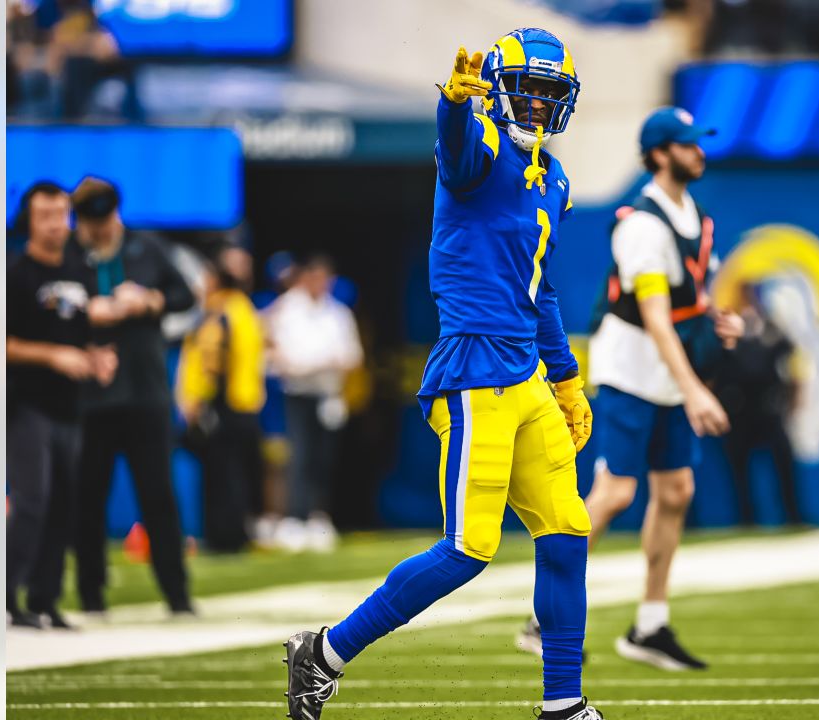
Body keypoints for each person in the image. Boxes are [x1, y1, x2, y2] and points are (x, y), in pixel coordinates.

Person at [284, 30, 601, 720]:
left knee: (568, 531)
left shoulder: (553, 178)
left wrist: (567, 377)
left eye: (552, 94)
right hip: (474, 374)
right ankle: (324, 653)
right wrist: (454, 106)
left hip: (525, 377)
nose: (541, 105)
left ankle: (564, 704)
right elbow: (456, 156)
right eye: (530, 90)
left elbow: (539, 290)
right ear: (497, 87)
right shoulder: (480, 150)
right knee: (467, 549)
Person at [518, 107, 741, 672]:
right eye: (688, 144)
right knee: (616, 492)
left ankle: (650, 625)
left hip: (666, 372)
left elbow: (685, 304)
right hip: (631, 370)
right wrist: (695, 390)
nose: (700, 152)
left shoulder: (693, 213)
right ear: (661, 153)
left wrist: (716, 320)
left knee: (676, 492)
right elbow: (656, 316)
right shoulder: (642, 223)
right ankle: (541, 619)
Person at [70, 177, 195, 615]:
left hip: (145, 391)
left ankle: (177, 594)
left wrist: (148, 301)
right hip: (91, 394)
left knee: (158, 494)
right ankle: (90, 595)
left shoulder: (146, 246)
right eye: (91, 222)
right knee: (87, 495)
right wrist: (88, 313)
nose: (100, 230)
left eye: (104, 221)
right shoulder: (72, 254)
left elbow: (185, 295)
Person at [6, 181, 116, 629]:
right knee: (33, 500)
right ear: (29, 221)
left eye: (60, 213)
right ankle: (7, 594)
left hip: (71, 405)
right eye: (45, 215)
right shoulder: (16, 273)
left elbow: (83, 332)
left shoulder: (80, 269)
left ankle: (46, 598)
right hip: (26, 402)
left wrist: (98, 357)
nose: (55, 223)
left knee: (63, 504)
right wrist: (53, 355)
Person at [266, 255, 363, 553]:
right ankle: (293, 519)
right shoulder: (286, 309)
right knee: (299, 455)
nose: (322, 284)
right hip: (298, 393)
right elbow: (277, 354)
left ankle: (317, 519)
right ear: (306, 278)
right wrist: (313, 364)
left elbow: (352, 356)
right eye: (316, 278)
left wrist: (328, 366)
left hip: (327, 395)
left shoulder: (338, 313)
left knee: (323, 458)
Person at [176, 248, 267, 554]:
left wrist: (196, 399)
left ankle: (222, 536)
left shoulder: (219, 312)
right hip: (247, 402)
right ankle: (237, 534)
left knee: (220, 474)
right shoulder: (245, 309)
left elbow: (210, 359)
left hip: (223, 404)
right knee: (237, 473)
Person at [714, 294, 801, 527]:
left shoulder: (772, 330)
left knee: (783, 464)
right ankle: (747, 520)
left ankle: (794, 517)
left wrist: (793, 400)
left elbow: (792, 366)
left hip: (768, 409)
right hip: (738, 411)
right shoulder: (723, 333)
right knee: (739, 471)